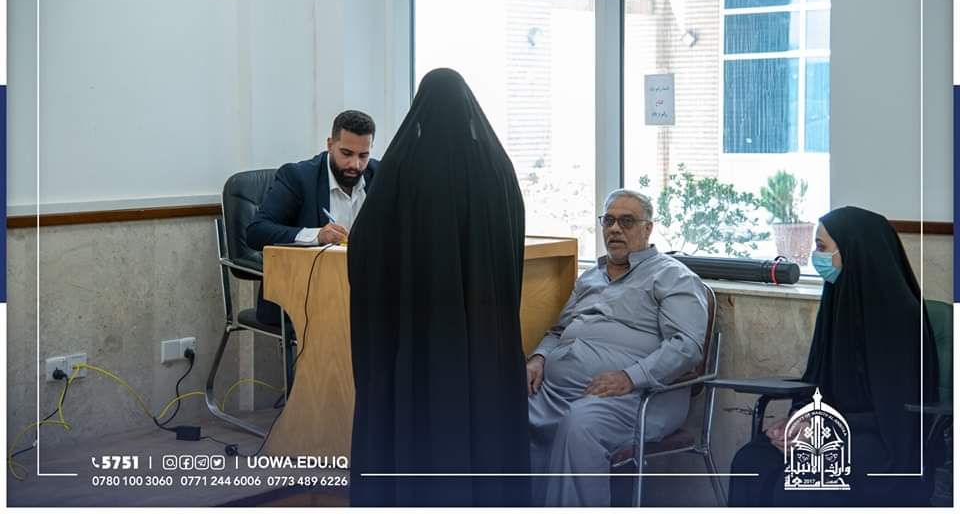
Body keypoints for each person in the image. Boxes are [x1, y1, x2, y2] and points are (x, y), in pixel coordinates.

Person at [347, 68, 530, 507]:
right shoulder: (498, 167)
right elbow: (513, 244)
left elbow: (365, 246)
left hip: (419, 338)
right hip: (484, 337)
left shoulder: (404, 167)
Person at [727, 206, 939, 507]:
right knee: (751, 462)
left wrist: (820, 430)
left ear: (854, 251)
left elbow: (895, 415)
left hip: (883, 446)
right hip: (831, 429)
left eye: (822, 247)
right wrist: (797, 421)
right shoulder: (838, 302)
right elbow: (817, 382)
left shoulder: (899, 318)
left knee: (799, 484)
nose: (816, 256)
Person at [527, 189, 708, 507]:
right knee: (498, 409)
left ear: (648, 228)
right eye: (608, 220)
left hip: (638, 397)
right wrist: (539, 357)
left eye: (626, 221)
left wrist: (630, 377)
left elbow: (686, 346)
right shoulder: (590, 278)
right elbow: (558, 331)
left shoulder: (673, 276)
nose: (614, 229)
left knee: (581, 424)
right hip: (557, 390)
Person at [247, 109, 378, 326]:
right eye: (346, 154)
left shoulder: (379, 175)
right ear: (330, 145)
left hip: (366, 292)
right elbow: (256, 232)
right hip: (306, 294)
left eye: (363, 156)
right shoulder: (298, 177)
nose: (355, 165)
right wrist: (317, 235)